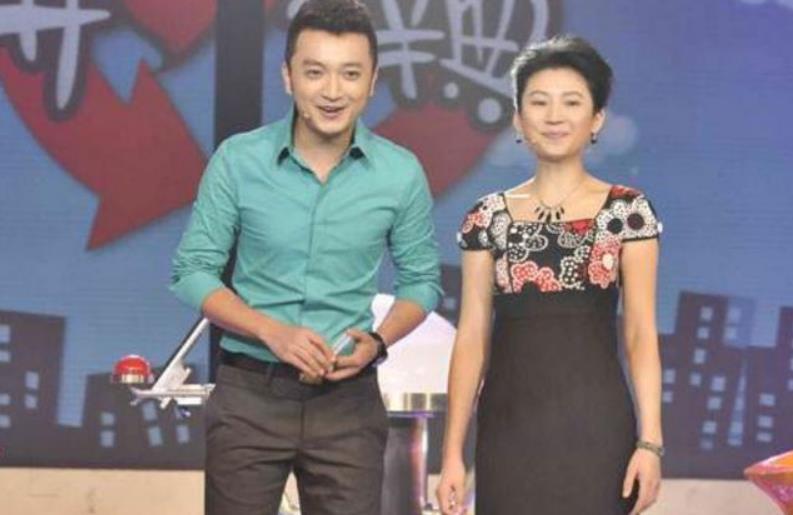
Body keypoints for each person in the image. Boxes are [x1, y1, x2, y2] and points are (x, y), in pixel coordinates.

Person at [170, 1, 442, 513]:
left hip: (348, 403)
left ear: (373, 80)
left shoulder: (400, 172)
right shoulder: (239, 159)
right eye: (315, 72)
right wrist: (270, 331)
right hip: (250, 395)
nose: (333, 91)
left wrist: (378, 341)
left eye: (350, 74)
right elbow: (192, 272)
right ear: (288, 77)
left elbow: (422, 282)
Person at [436, 35, 663, 515]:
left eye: (572, 102)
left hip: (598, 430)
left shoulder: (627, 212)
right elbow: (472, 337)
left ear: (596, 119)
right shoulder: (487, 217)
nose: (554, 116)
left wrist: (651, 444)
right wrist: (452, 453)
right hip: (508, 430)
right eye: (539, 102)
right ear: (518, 119)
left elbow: (641, 333)